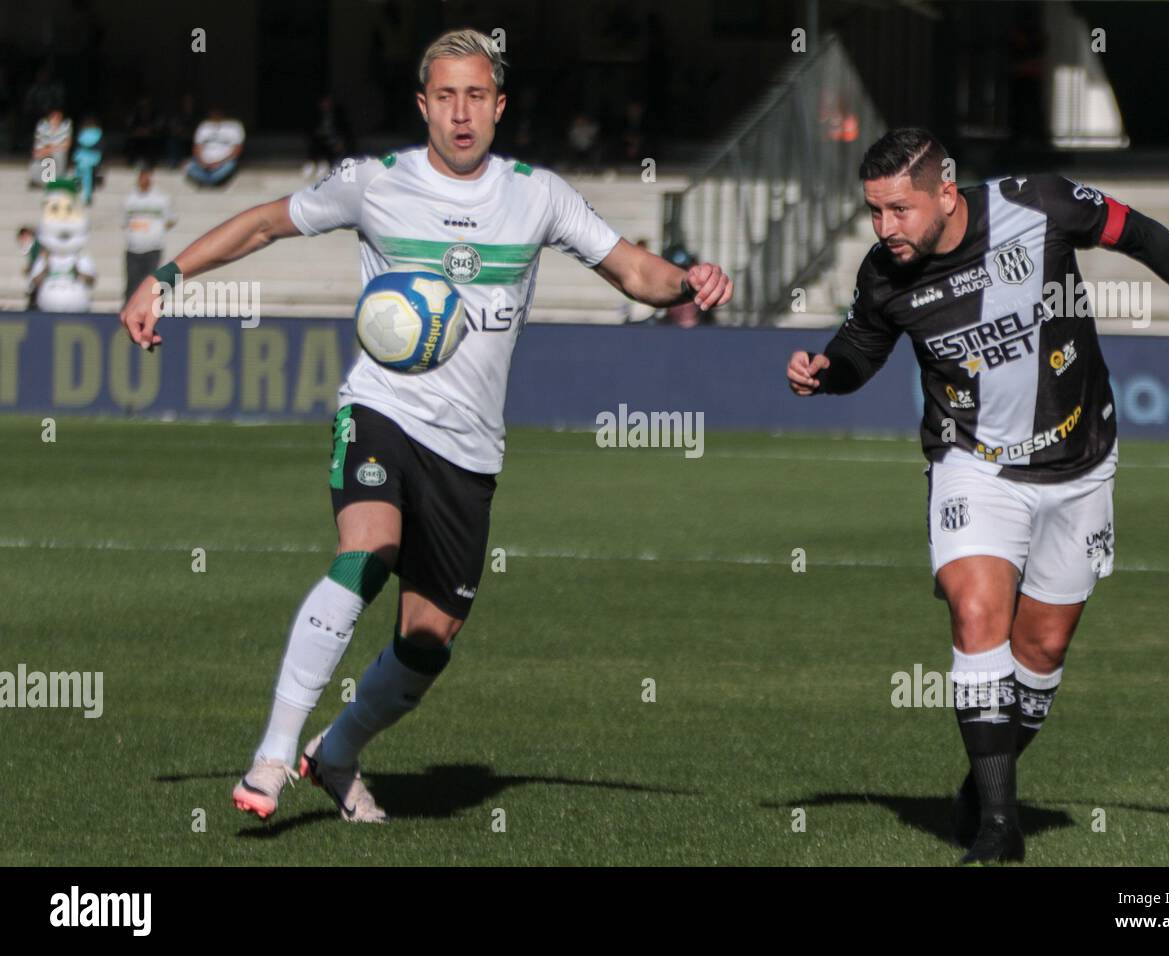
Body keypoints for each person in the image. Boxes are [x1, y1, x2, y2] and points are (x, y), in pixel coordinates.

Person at [120, 28, 733, 825]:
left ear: (500, 104)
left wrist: (690, 278)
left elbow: (632, 270)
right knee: (366, 548)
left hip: (470, 449)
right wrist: (163, 278)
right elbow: (265, 223)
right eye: (445, 96)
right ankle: (273, 753)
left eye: (476, 95)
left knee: (429, 638)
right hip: (381, 409)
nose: (461, 112)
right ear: (422, 105)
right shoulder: (375, 184)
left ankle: (334, 754)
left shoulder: (536, 194)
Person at [786, 127, 1169, 865]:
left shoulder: (1041, 204)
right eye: (875, 212)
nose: (884, 228)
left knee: (1042, 650)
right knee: (977, 610)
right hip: (975, 462)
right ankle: (999, 828)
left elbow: (1142, 235)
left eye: (899, 210)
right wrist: (823, 371)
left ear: (946, 193)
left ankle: (983, 784)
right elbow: (861, 349)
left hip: (1081, 459)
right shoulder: (885, 273)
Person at [122, 166, 176, 307]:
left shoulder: (161, 198)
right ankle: (129, 308)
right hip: (133, 248)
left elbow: (170, 220)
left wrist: (154, 232)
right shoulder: (129, 199)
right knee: (132, 282)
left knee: (151, 281)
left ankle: (151, 308)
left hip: (153, 247)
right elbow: (124, 222)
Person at [185, 106, 244, 187]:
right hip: (204, 162)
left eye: (218, 113)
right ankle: (209, 181)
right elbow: (197, 147)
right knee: (188, 166)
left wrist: (219, 163)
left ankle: (208, 181)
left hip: (224, 162)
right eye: (213, 112)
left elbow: (237, 149)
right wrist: (202, 162)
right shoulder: (204, 126)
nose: (215, 115)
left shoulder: (234, 126)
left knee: (230, 165)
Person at [30, 107, 71, 186]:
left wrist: (51, 149)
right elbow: (40, 143)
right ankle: (38, 180)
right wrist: (46, 150)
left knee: (59, 155)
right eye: (53, 117)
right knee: (38, 155)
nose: (55, 120)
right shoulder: (43, 127)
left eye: (58, 117)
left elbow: (66, 145)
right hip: (45, 150)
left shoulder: (65, 128)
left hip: (57, 152)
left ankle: (56, 180)